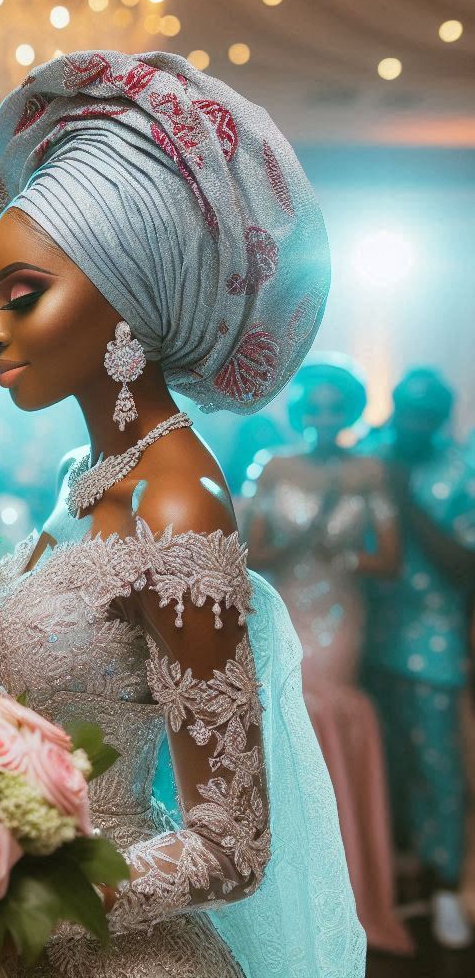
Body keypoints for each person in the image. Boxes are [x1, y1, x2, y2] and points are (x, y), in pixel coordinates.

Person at [0, 49, 364, 977]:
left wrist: (12, 899)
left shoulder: (178, 500)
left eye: (24, 297)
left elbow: (231, 846)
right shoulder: (86, 471)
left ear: (128, 299)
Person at [246, 354, 413, 954]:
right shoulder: (273, 468)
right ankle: (289, 892)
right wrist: (297, 543)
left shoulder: (369, 473)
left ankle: (354, 894)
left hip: (341, 613)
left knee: (329, 716)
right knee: (291, 720)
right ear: (298, 410)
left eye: (334, 408)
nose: (322, 417)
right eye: (312, 406)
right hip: (287, 607)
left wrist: (337, 557)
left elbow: (389, 560)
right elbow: (250, 554)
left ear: (349, 412)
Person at [360, 368, 475, 949]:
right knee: (381, 770)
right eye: (406, 409)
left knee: (438, 770)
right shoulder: (372, 455)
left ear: (442, 419)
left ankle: (446, 886)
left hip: (432, 644)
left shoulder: (461, 470)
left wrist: (404, 497)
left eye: (427, 414)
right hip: (360, 637)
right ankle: (392, 881)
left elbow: (464, 561)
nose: (414, 422)